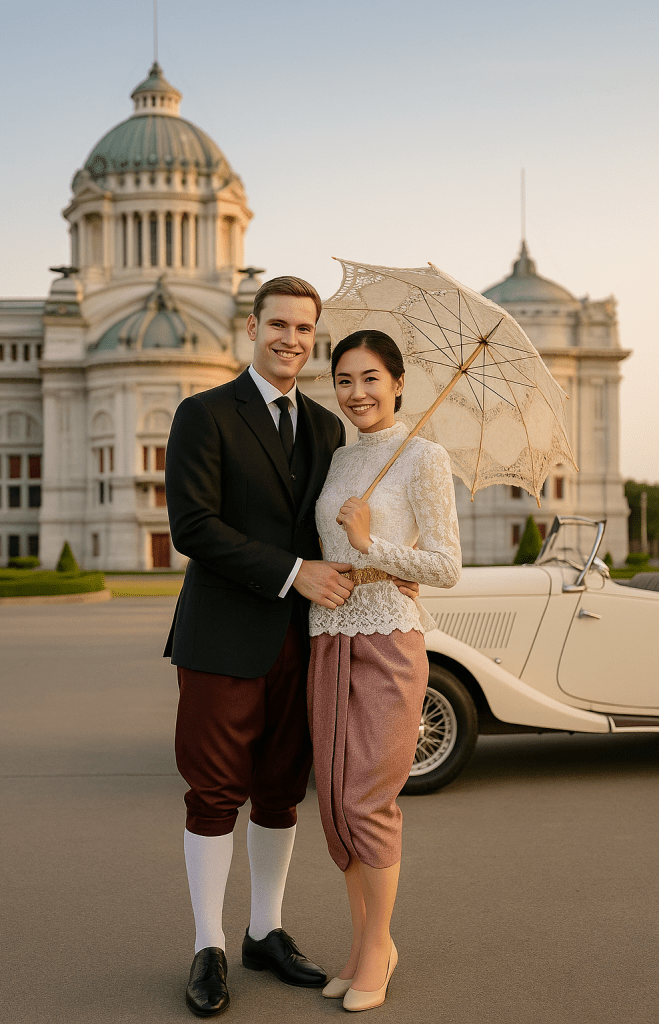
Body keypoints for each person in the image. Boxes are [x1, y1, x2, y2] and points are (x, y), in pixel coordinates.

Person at [163, 279, 417, 1018]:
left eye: (305, 329)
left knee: (279, 793)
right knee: (213, 794)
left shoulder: (327, 428)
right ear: (252, 327)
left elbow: (330, 536)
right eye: (278, 324)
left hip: (305, 645)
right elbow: (193, 527)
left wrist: (379, 564)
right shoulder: (203, 414)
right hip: (221, 637)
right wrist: (291, 571)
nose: (291, 339)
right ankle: (208, 944)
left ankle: (263, 932)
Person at [307, 329, 462, 1012]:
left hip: (389, 637)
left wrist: (374, 544)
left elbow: (447, 566)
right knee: (337, 802)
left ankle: (380, 946)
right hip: (328, 636)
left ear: (398, 382)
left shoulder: (424, 456)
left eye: (370, 378)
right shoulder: (338, 458)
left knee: (369, 799)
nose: (356, 393)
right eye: (343, 380)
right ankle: (362, 939)